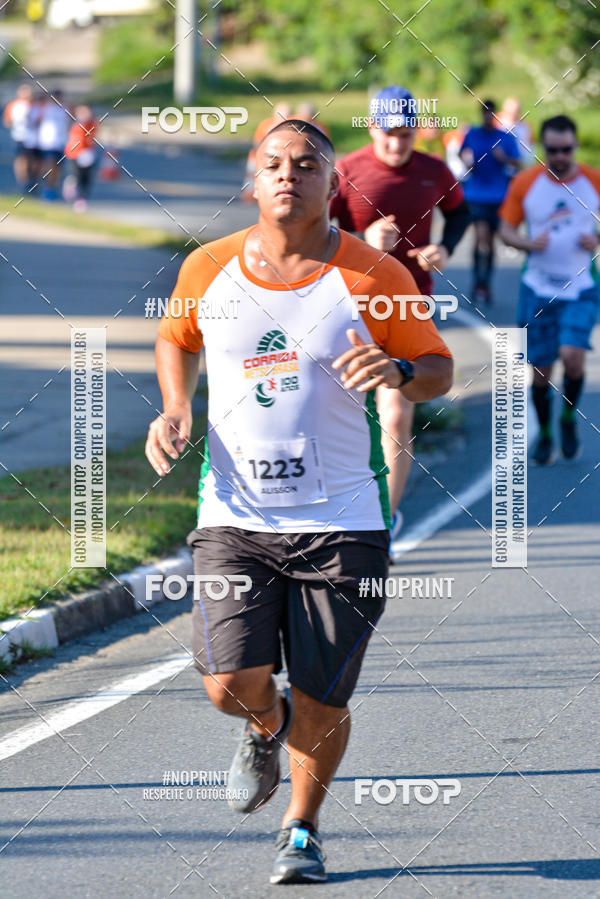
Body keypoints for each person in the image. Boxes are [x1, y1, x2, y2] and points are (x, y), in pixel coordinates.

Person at [145, 119, 453, 885]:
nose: (290, 174)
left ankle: (302, 829)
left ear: (332, 183)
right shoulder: (209, 267)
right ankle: (265, 725)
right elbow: (176, 337)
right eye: (275, 163)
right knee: (226, 681)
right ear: (252, 179)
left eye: (308, 163)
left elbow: (437, 367)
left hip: (343, 518)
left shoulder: (376, 274)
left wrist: (398, 371)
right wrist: (175, 405)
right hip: (235, 514)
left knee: (323, 693)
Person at [330, 86, 469, 535]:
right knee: (339, 413)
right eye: (389, 133)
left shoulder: (434, 170)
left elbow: (460, 214)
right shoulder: (347, 171)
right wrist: (361, 242)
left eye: (405, 133)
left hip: (408, 305)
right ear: (372, 128)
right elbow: (312, 233)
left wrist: (444, 248)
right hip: (348, 306)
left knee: (396, 413)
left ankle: (383, 524)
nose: (397, 143)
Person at [499, 114, 600, 464]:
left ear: (575, 146)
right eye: (552, 150)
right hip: (537, 288)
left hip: (581, 287)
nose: (559, 156)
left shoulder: (593, 180)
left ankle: (568, 417)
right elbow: (505, 230)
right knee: (541, 372)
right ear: (542, 147)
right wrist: (527, 244)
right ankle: (544, 433)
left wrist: (596, 239)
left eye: (566, 149)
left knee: (572, 356)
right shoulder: (526, 183)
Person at [460, 99, 521, 305]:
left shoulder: (505, 137)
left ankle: (486, 283)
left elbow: (518, 162)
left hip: (498, 196)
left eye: (491, 113)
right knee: (480, 239)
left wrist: (503, 159)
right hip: (476, 195)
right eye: (485, 113)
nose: (488, 116)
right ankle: (477, 281)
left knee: (492, 243)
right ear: (481, 114)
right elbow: (461, 152)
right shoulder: (472, 134)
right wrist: (467, 163)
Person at [241, 102, 291, 201]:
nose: (284, 117)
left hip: (279, 160)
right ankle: (250, 195)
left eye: (287, 115)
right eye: (282, 114)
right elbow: (257, 141)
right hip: (260, 157)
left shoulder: (291, 128)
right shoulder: (266, 125)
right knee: (255, 177)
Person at [64, 104, 99, 212]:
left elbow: (91, 139)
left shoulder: (92, 124)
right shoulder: (74, 125)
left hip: (88, 155)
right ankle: (71, 184)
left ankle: (81, 199)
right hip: (74, 154)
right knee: (76, 175)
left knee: (86, 178)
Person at [38, 90, 71, 200]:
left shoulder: (65, 109)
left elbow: (70, 122)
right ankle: (47, 187)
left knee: (57, 168)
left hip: (61, 143)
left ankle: (52, 187)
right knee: (50, 165)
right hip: (47, 143)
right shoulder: (45, 108)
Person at [2, 84, 32, 187]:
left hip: (33, 138)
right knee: (21, 158)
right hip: (19, 136)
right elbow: (7, 121)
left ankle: (30, 178)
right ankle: (23, 180)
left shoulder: (33, 104)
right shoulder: (13, 105)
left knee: (32, 159)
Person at [498, 97, 535, 167]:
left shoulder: (525, 126)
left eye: (517, 111)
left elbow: (531, 145)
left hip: (521, 162)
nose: (514, 114)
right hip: (502, 164)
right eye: (511, 112)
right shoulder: (497, 124)